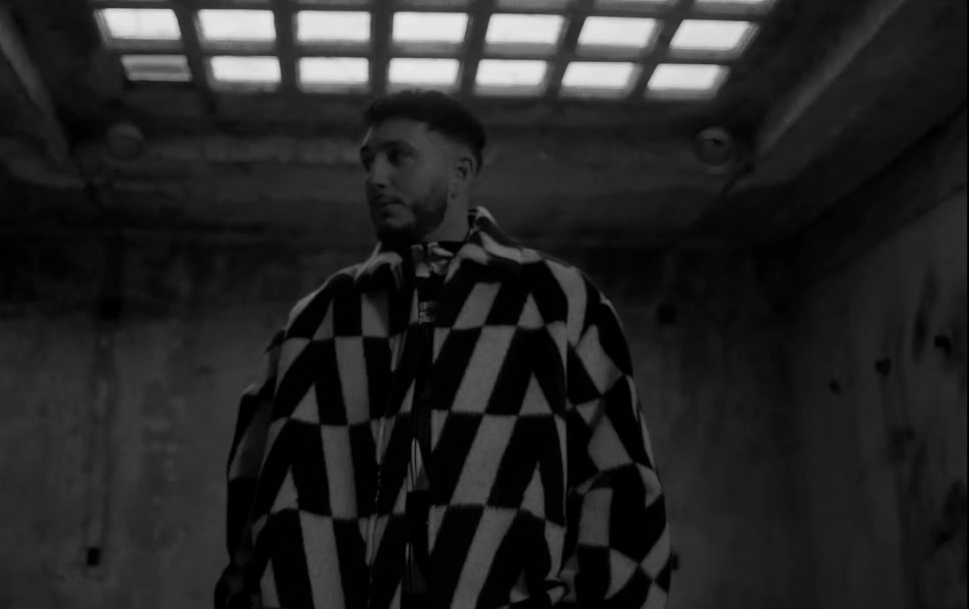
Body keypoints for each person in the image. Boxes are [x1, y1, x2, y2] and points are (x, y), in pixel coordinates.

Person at [215, 90, 672, 609]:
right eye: (368, 161)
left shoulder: (556, 301)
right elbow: (249, 490)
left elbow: (622, 487)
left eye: (398, 156)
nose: (375, 177)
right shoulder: (315, 320)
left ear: (460, 173)